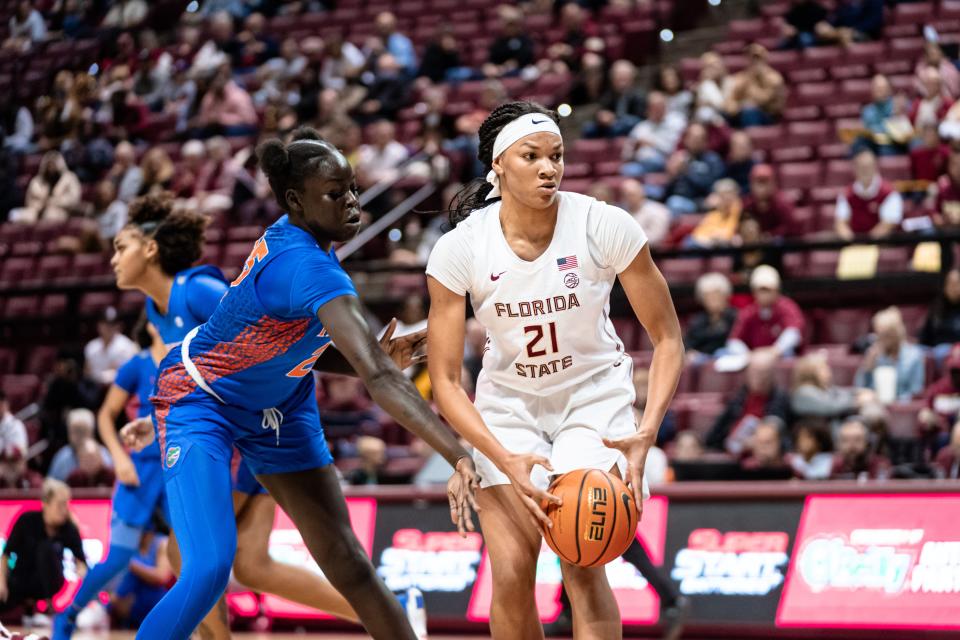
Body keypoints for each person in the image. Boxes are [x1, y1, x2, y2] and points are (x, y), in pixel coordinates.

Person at [117, 128, 478, 640]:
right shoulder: (304, 265)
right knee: (207, 569)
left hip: (280, 407)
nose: (353, 202)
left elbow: (281, 342)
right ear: (294, 200)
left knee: (347, 561)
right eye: (336, 193)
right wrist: (456, 450)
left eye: (353, 188)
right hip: (203, 402)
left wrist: (367, 358)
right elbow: (377, 375)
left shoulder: (304, 244)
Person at [57, 189, 442, 640]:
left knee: (191, 560)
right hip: (224, 419)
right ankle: (390, 608)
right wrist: (159, 415)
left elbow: (276, 344)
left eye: (120, 247)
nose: (112, 258)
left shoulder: (199, 291)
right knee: (253, 564)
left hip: (260, 420)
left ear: (149, 248)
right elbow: (200, 370)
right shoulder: (153, 310)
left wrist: (365, 360)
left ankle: (382, 610)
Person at [425, 101, 684, 639]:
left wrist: (647, 432)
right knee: (513, 574)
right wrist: (500, 458)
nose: (549, 168)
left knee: (581, 562)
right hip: (508, 406)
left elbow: (668, 339)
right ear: (498, 165)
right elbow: (446, 382)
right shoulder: (459, 250)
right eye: (532, 156)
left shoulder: (602, 224)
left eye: (557, 156)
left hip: (591, 396)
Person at [57, 321, 168, 633]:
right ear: (152, 323)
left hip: (179, 466)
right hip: (140, 470)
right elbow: (105, 415)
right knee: (118, 557)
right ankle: (67, 616)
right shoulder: (137, 364)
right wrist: (120, 459)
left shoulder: (190, 358)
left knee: (197, 554)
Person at [0, 479, 87, 614]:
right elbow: (6, 555)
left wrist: (80, 579)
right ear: (45, 503)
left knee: (46, 548)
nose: (64, 510)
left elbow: (81, 562)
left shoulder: (69, 528)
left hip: (53, 586)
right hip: (21, 581)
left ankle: (49, 607)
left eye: (66, 505)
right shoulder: (26, 520)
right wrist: (1, 582)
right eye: (60, 505)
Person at [705, 349, 790, 454]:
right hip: (731, 455)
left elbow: (784, 440)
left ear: (772, 375)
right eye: (756, 373)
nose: (760, 378)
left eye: (764, 373)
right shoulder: (737, 398)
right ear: (748, 374)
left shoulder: (780, 400)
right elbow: (713, 436)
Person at [725, 265, 805, 356]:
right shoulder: (749, 312)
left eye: (768, 290)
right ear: (754, 292)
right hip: (755, 358)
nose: (764, 295)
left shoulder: (787, 307)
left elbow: (794, 333)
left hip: (782, 356)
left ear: (776, 290)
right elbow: (734, 340)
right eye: (761, 290)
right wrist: (749, 356)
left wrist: (774, 351)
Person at [854, 306, 925, 402]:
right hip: (875, 406)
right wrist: (867, 367)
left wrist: (896, 400)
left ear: (897, 333)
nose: (881, 339)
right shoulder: (873, 354)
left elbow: (915, 392)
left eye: (886, 335)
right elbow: (859, 388)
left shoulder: (914, 356)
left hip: (900, 408)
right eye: (879, 334)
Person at [834, 149, 903, 240]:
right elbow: (840, 223)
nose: (865, 171)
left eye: (867, 167)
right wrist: (851, 242)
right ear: (855, 168)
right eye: (861, 167)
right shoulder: (847, 194)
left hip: (882, 244)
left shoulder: (889, 193)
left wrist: (867, 243)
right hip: (854, 245)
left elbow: (888, 224)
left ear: (875, 166)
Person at [109, 532, 172, 629]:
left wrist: (130, 564)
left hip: (156, 607)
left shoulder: (162, 542)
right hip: (128, 611)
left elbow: (162, 576)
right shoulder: (127, 542)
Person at [791, 351, 874, 423]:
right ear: (810, 372)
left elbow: (842, 392)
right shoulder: (804, 392)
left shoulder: (824, 389)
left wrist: (861, 392)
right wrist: (856, 402)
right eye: (823, 368)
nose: (828, 371)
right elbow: (829, 406)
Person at [9, 151, 82, 223]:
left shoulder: (69, 178)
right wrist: (40, 205)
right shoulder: (37, 181)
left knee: (50, 215)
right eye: (49, 165)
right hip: (37, 210)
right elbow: (29, 200)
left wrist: (53, 202)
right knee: (14, 214)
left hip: (60, 210)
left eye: (53, 165)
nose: (51, 168)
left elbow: (73, 199)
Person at [48, 408, 112, 482]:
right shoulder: (62, 458)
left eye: (82, 430)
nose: (79, 435)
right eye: (75, 431)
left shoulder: (104, 455)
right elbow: (51, 486)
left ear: (91, 431)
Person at [685, 272, 737, 358]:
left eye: (717, 295)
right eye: (708, 296)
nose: (713, 300)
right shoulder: (697, 321)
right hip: (701, 364)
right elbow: (688, 345)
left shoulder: (736, 317)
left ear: (725, 296)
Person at [84, 306, 138, 386]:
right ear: (99, 325)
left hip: (118, 389)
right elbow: (87, 373)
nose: (109, 328)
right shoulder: (91, 346)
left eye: (112, 324)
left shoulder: (127, 346)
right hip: (94, 390)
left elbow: (128, 375)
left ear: (119, 326)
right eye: (105, 324)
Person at [687, 178, 742, 247]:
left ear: (736, 194)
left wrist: (715, 236)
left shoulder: (739, 212)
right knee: (689, 242)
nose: (725, 198)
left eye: (728, 194)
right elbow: (697, 235)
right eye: (721, 195)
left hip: (724, 246)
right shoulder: (714, 214)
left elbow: (729, 235)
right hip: (707, 244)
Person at [919, 269, 960, 360]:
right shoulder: (936, 308)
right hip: (934, 352)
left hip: (954, 353)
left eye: (957, 284)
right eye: (950, 284)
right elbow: (924, 338)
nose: (953, 288)